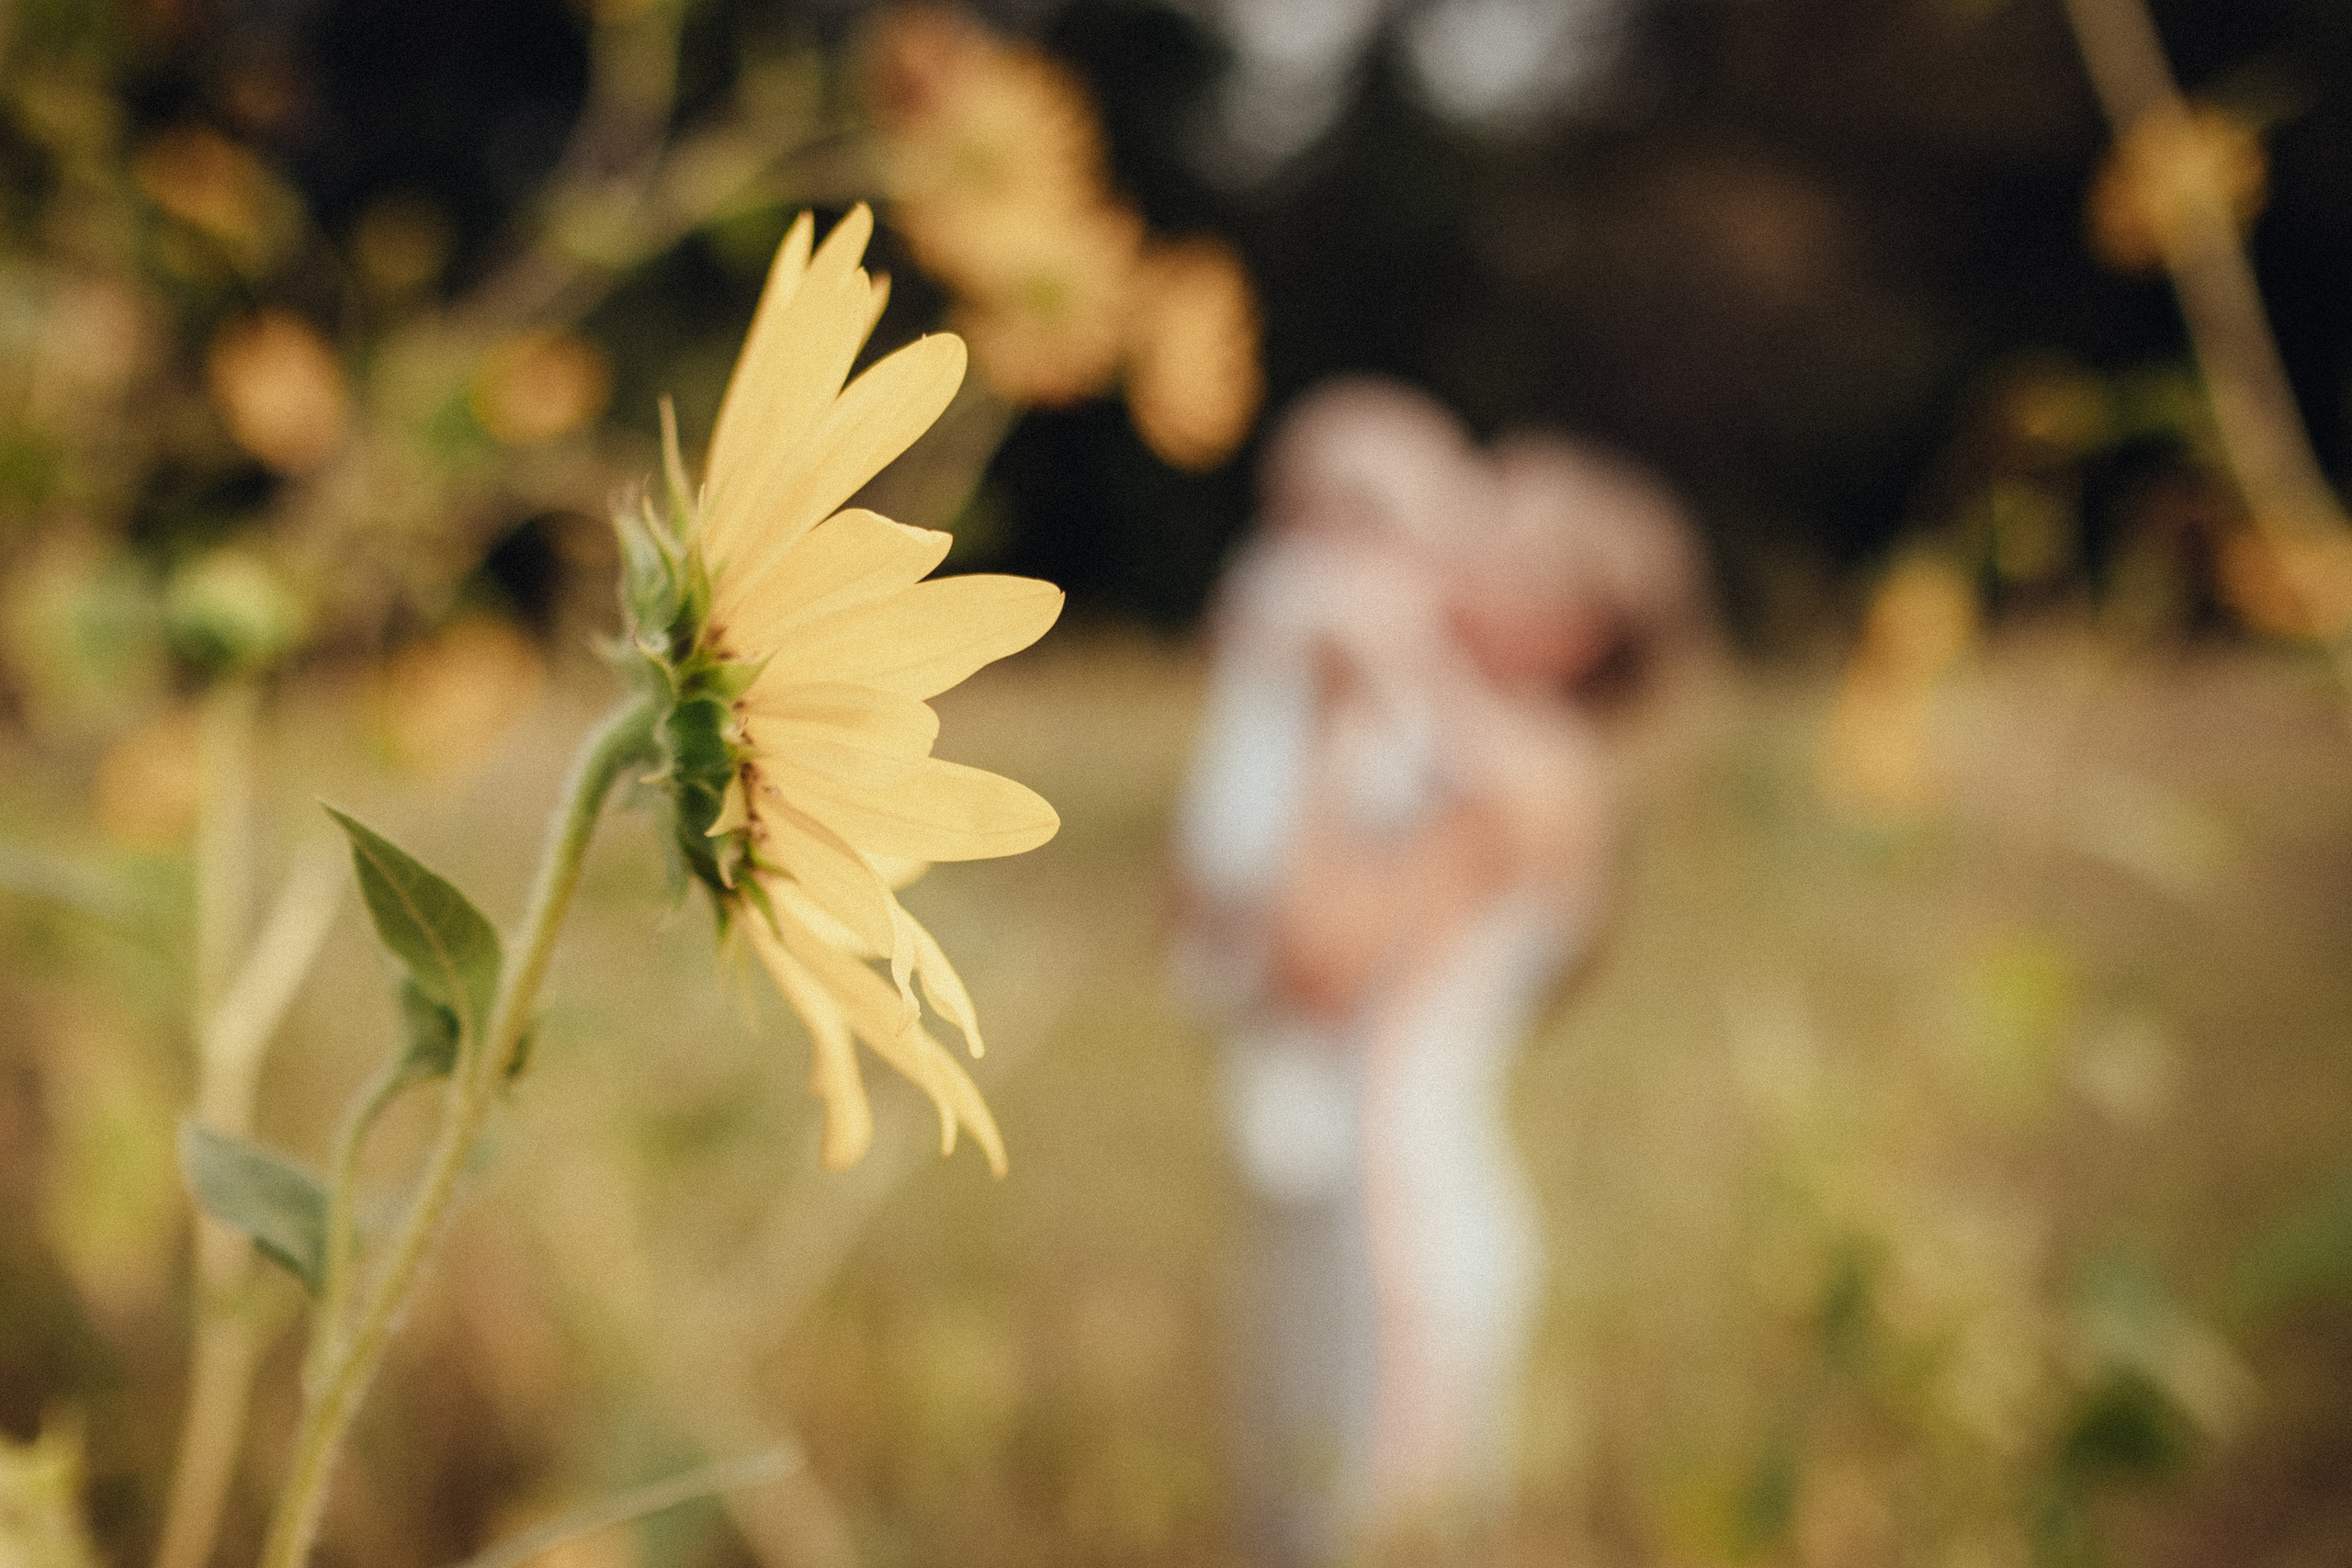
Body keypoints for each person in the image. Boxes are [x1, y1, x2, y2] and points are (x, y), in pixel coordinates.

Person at [1170, 378, 1702, 1564]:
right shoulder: (1461, 742)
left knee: (1374, 1537)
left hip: (1401, 1232)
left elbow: (1313, 964)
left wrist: (1324, 711)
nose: (1449, 555)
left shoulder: (1512, 779)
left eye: (1504, 546)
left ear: (1570, 629)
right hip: (1336, 1201)